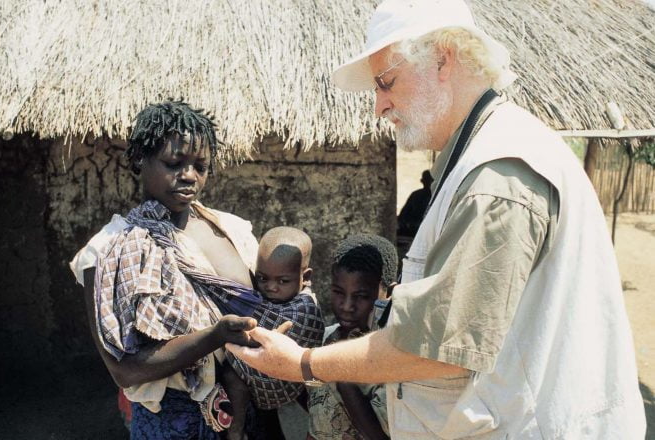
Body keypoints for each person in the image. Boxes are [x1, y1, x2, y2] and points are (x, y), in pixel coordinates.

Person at [226, 0, 646, 438]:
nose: (379, 107)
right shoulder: (481, 156)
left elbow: (437, 347)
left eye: (386, 83)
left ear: (443, 58)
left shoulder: (498, 173)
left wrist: (303, 364)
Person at [69, 100, 324, 439]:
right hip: (175, 422)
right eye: (174, 163)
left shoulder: (233, 230)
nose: (188, 175)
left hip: (252, 411)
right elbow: (124, 371)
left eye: (200, 166)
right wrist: (215, 336)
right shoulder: (109, 251)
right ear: (139, 161)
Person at [223, 226, 318, 440]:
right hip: (256, 387)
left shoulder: (305, 308)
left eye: (283, 281)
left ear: (306, 276)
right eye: (263, 278)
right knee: (230, 374)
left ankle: (236, 430)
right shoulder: (258, 298)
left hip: (289, 388)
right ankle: (236, 427)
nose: (271, 288)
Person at [307, 234, 396, 440]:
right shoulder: (326, 339)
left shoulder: (388, 360)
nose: (347, 307)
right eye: (339, 292)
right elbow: (317, 414)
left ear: (389, 292)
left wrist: (343, 378)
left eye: (361, 296)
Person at [397, 169, 434, 237]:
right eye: (426, 180)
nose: (428, 183)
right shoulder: (416, 194)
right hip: (413, 227)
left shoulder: (435, 195)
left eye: (429, 181)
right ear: (423, 182)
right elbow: (404, 212)